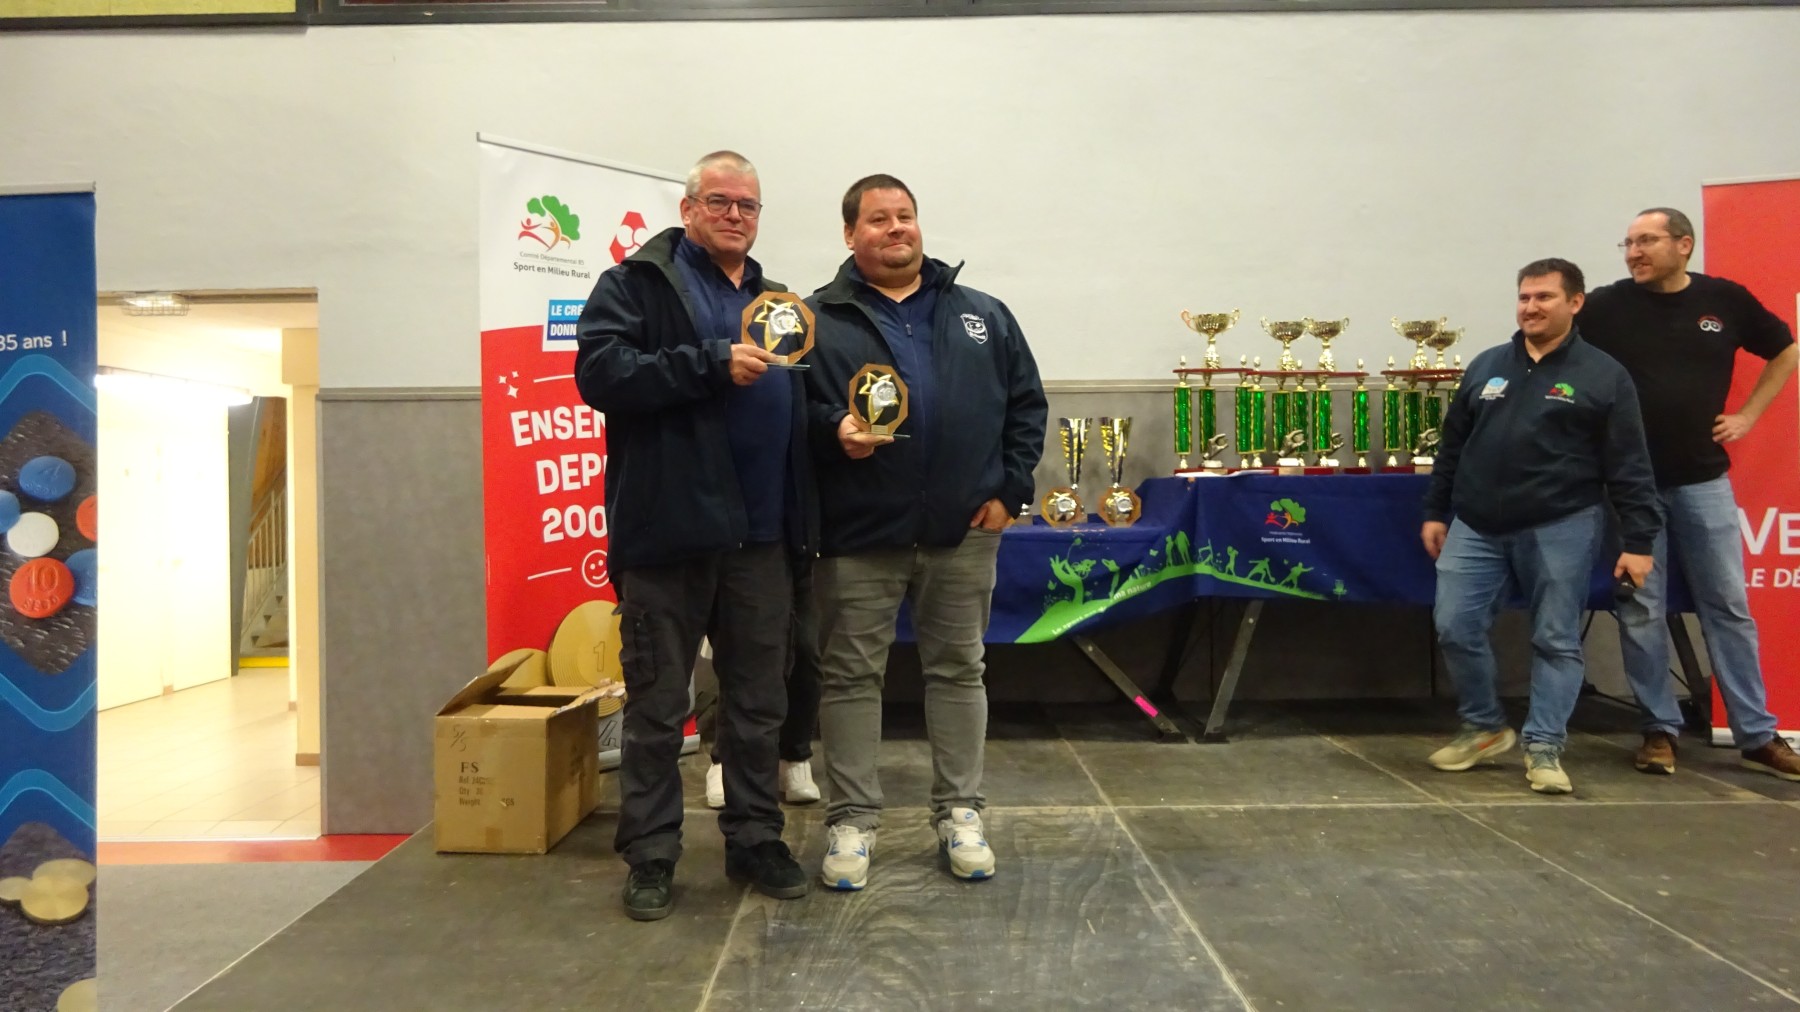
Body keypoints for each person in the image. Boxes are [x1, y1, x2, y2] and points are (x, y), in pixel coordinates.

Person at [574, 150, 812, 920]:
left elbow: (796, 401)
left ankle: (755, 839)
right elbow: (601, 374)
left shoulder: (778, 301)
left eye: (748, 204)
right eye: (720, 201)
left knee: (758, 705)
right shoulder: (635, 285)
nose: (735, 214)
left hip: (762, 540)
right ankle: (651, 855)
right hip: (667, 536)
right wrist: (708, 363)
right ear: (687, 209)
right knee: (655, 709)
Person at [803, 174, 1046, 889]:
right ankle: (851, 821)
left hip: (962, 532)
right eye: (878, 219)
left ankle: (961, 812)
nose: (895, 228)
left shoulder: (983, 315)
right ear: (850, 234)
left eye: (904, 216)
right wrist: (832, 429)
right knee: (850, 676)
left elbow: (1025, 406)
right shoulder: (818, 318)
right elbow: (791, 411)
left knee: (959, 669)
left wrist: (1010, 491)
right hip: (857, 534)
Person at [1421, 258, 1659, 795]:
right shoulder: (1487, 366)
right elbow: (1453, 446)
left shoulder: (1604, 375)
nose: (1531, 307)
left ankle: (1545, 746)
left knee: (1555, 638)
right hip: (1476, 525)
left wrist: (1639, 540)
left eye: (1544, 297)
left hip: (1562, 523)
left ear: (1575, 303)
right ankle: (1484, 726)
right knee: (1454, 625)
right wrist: (1436, 511)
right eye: (1524, 297)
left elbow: (1630, 465)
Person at [1579, 207, 1800, 781]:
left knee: (1727, 605)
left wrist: (1749, 414)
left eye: (1647, 241)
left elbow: (1786, 348)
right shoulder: (1605, 306)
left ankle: (1757, 734)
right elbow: (1556, 349)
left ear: (1684, 244)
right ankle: (1659, 730)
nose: (1634, 252)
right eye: (1628, 243)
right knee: (1640, 609)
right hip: (1631, 487)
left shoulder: (1725, 300)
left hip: (1704, 480)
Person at [692, 570, 823, 809]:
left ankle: (794, 755)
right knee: (740, 654)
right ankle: (725, 759)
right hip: (744, 559)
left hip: (800, 561)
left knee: (805, 652)